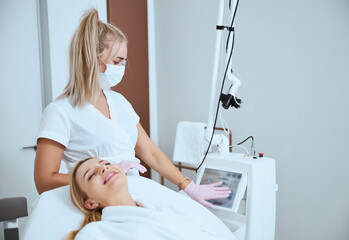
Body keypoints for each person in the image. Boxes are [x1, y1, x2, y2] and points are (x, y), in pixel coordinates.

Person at [34, 8, 230, 208]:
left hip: (135, 192)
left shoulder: (119, 102)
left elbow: (149, 152)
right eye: (116, 61)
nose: (121, 68)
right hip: (100, 203)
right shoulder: (60, 112)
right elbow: (44, 181)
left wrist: (188, 185)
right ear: (91, 59)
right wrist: (107, 175)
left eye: (124, 62)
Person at [66, 158, 236, 240]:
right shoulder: (94, 233)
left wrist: (189, 186)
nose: (103, 169)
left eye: (105, 163)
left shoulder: (167, 209)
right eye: (91, 175)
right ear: (90, 203)